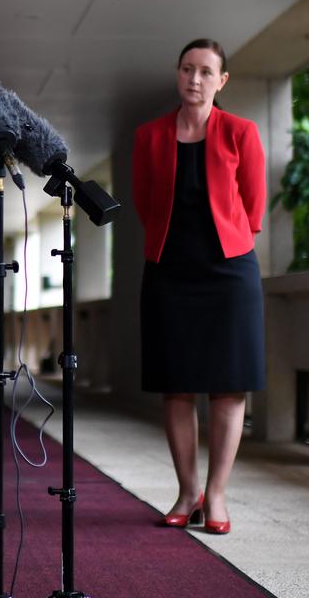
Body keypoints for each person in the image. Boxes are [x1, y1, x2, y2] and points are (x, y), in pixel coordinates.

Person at [132, 38, 265, 536]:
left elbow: (254, 208)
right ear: (177, 73)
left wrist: (222, 244)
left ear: (221, 81)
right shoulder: (148, 136)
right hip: (169, 272)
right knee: (177, 384)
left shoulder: (242, 132)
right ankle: (188, 492)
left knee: (230, 384)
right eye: (187, 69)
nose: (194, 79)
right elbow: (145, 203)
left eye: (206, 72)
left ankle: (218, 495)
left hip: (230, 273)